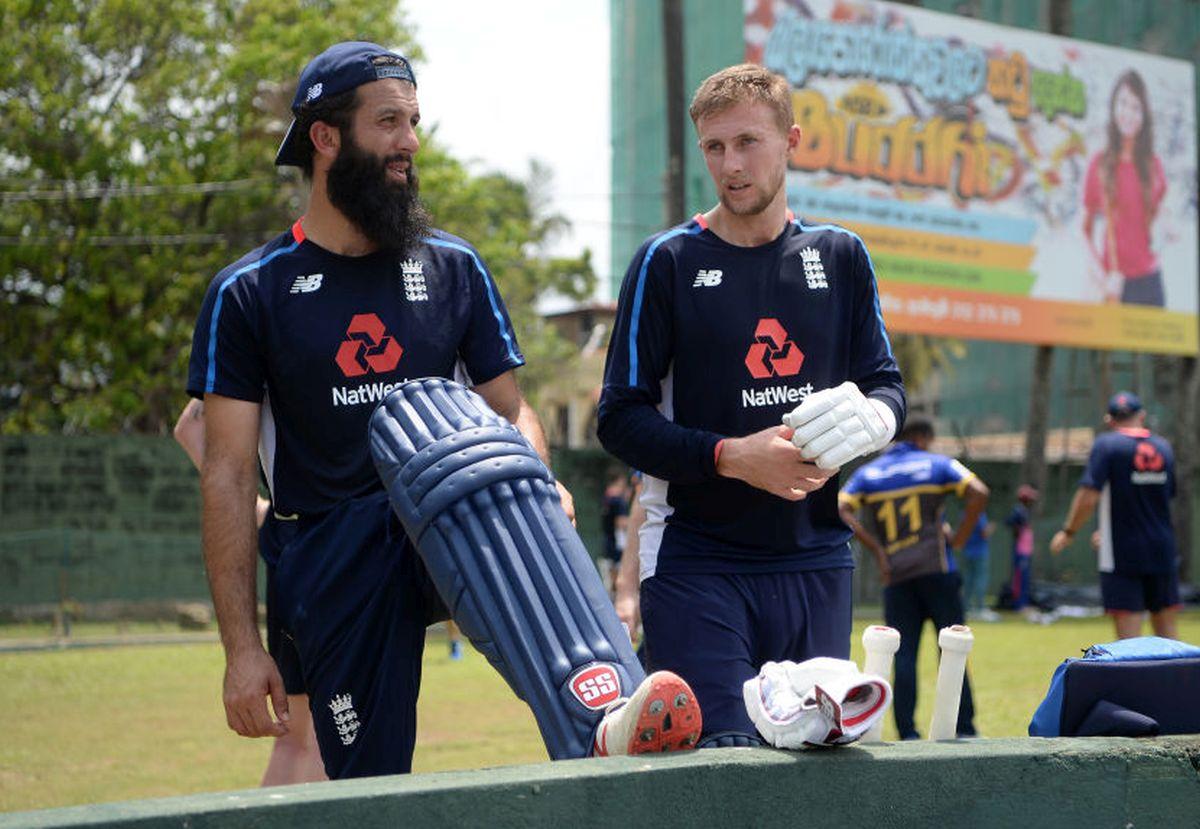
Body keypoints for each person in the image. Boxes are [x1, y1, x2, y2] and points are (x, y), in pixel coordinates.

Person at [188, 41, 693, 779]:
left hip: (449, 519)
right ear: (325, 138)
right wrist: (240, 647)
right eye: (388, 121)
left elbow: (512, 413)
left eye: (414, 121)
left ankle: (605, 714)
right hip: (332, 552)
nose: (409, 143)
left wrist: (536, 475)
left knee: (510, 490)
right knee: (368, 781)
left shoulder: (452, 266)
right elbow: (227, 473)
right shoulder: (250, 290)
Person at [597, 63, 905, 747]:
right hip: (697, 561)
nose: (730, 165)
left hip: (817, 559)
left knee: (810, 771)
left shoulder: (842, 255)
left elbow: (886, 385)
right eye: (714, 147)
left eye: (747, 143)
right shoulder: (666, 261)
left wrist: (875, 420)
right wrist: (733, 457)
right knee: (725, 767)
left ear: (790, 139)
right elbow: (618, 417)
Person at [173, 398, 327, 785]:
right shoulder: (273, 345)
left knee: (295, 740)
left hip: (292, 549)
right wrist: (259, 508)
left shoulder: (251, 351)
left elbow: (188, 427)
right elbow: (188, 427)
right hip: (322, 550)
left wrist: (263, 511)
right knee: (331, 738)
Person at [838, 417, 988, 740]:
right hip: (938, 570)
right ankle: (964, 728)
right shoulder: (938, 464)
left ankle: (907, 732)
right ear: (922, 438)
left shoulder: (869, 473)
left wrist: (878, 551)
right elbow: (978, 492)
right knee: (953, 650)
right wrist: (959, 538)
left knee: (903, 655)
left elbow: (841, 507)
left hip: (896, 575)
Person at [1050, 392, 1181, 639]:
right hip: (1162, 549)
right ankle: (1181, 679)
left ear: (1109, 420)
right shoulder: (1164, 447)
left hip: (1123, 552)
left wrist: (1069, 531)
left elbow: (1088, 496)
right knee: (1167, 634)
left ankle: (1133, 680)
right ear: (1141, 416)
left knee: (1128, 640)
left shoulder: (1106, 445)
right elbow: (1162, 499)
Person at [1082, 69, 1167, 307]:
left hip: (1151, 282)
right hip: (1114, 285)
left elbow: (1158, 217)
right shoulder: (1100, 164)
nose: (1128, 114)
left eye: (1136, 107)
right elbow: (1083, 229)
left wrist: (1164, 233)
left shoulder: (1154, 165)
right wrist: (1100, 271)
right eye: (1123, 103)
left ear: (1144, 115)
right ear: (1113, 106)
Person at [1004, 484, 1039, 615]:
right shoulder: (1018, 511)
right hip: (1020, 550)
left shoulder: (1024, 511)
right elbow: (1008, 522)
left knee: (1025, 578)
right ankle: (1019, 605)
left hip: (1026, 550)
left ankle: (1024, 603)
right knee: (1020, 578)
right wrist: (1017, 529)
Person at [958, 512, 997, 622]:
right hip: (979, 553)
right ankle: (980, 608)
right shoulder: (978, 514)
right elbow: (984, 533)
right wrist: (991, 528)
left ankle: (966, 608)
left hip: (967, 552)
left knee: (968, 581)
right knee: (980, 580)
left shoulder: (965, 514)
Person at [598, 471, 631, 595]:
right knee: (617, 578)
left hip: (608, 541)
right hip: (618, 544)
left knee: (610, 577)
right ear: (620, 481)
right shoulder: (618, 501)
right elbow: (621, 523)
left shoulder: (606, 499)